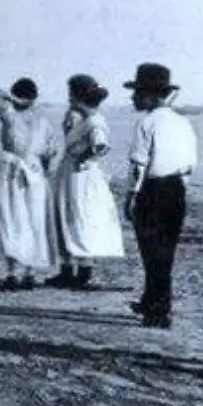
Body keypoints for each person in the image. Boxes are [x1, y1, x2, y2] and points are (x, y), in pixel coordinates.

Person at [124, 63, 198, 328]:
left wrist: (132, 195)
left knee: (151, 250)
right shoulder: (183, 123)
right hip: (177, 188)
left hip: (152, 189)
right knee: (166, 249)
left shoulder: (146, 123)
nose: (133, 98)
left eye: (137, 93)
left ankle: (158, 308)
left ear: (150, 95)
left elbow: (139, 165)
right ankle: (153, 300)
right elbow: (190, 163)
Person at [46, 75, 124, 290]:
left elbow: (101, 146)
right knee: (69, 216)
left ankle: (82, 272)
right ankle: (71, 270)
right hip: (74, 172)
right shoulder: (84, 118)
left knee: (81, 217)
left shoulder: (93, 121)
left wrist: (84, 158)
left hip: (82, 175)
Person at [0, 79, 59, 291]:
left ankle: (15, 272)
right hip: (35, 171)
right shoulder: (43, 121)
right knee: (34, 220)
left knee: (12, 219)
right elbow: (51, 153)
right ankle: (28, 272)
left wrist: (12, 98)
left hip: (12, 170)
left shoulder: (9, 114)